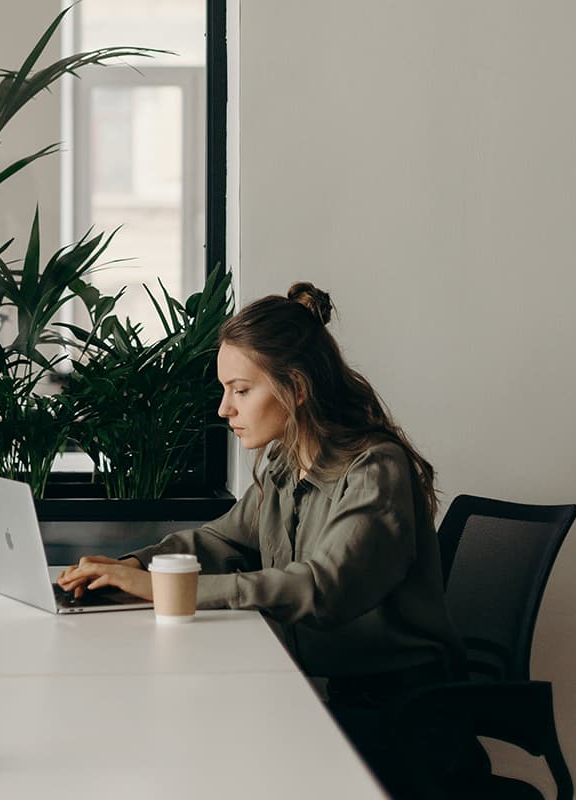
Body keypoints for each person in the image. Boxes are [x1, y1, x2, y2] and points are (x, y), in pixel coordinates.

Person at [57, 282, 483, 797]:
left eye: (240, 390)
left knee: (206, 751)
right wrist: (128, 567)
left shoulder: (374, 469)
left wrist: (162, 589)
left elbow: (322, 589)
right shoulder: (287, 460)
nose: (224, 409)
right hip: (330, 694)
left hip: (403, 722)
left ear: (295, 388)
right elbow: (222, 541)